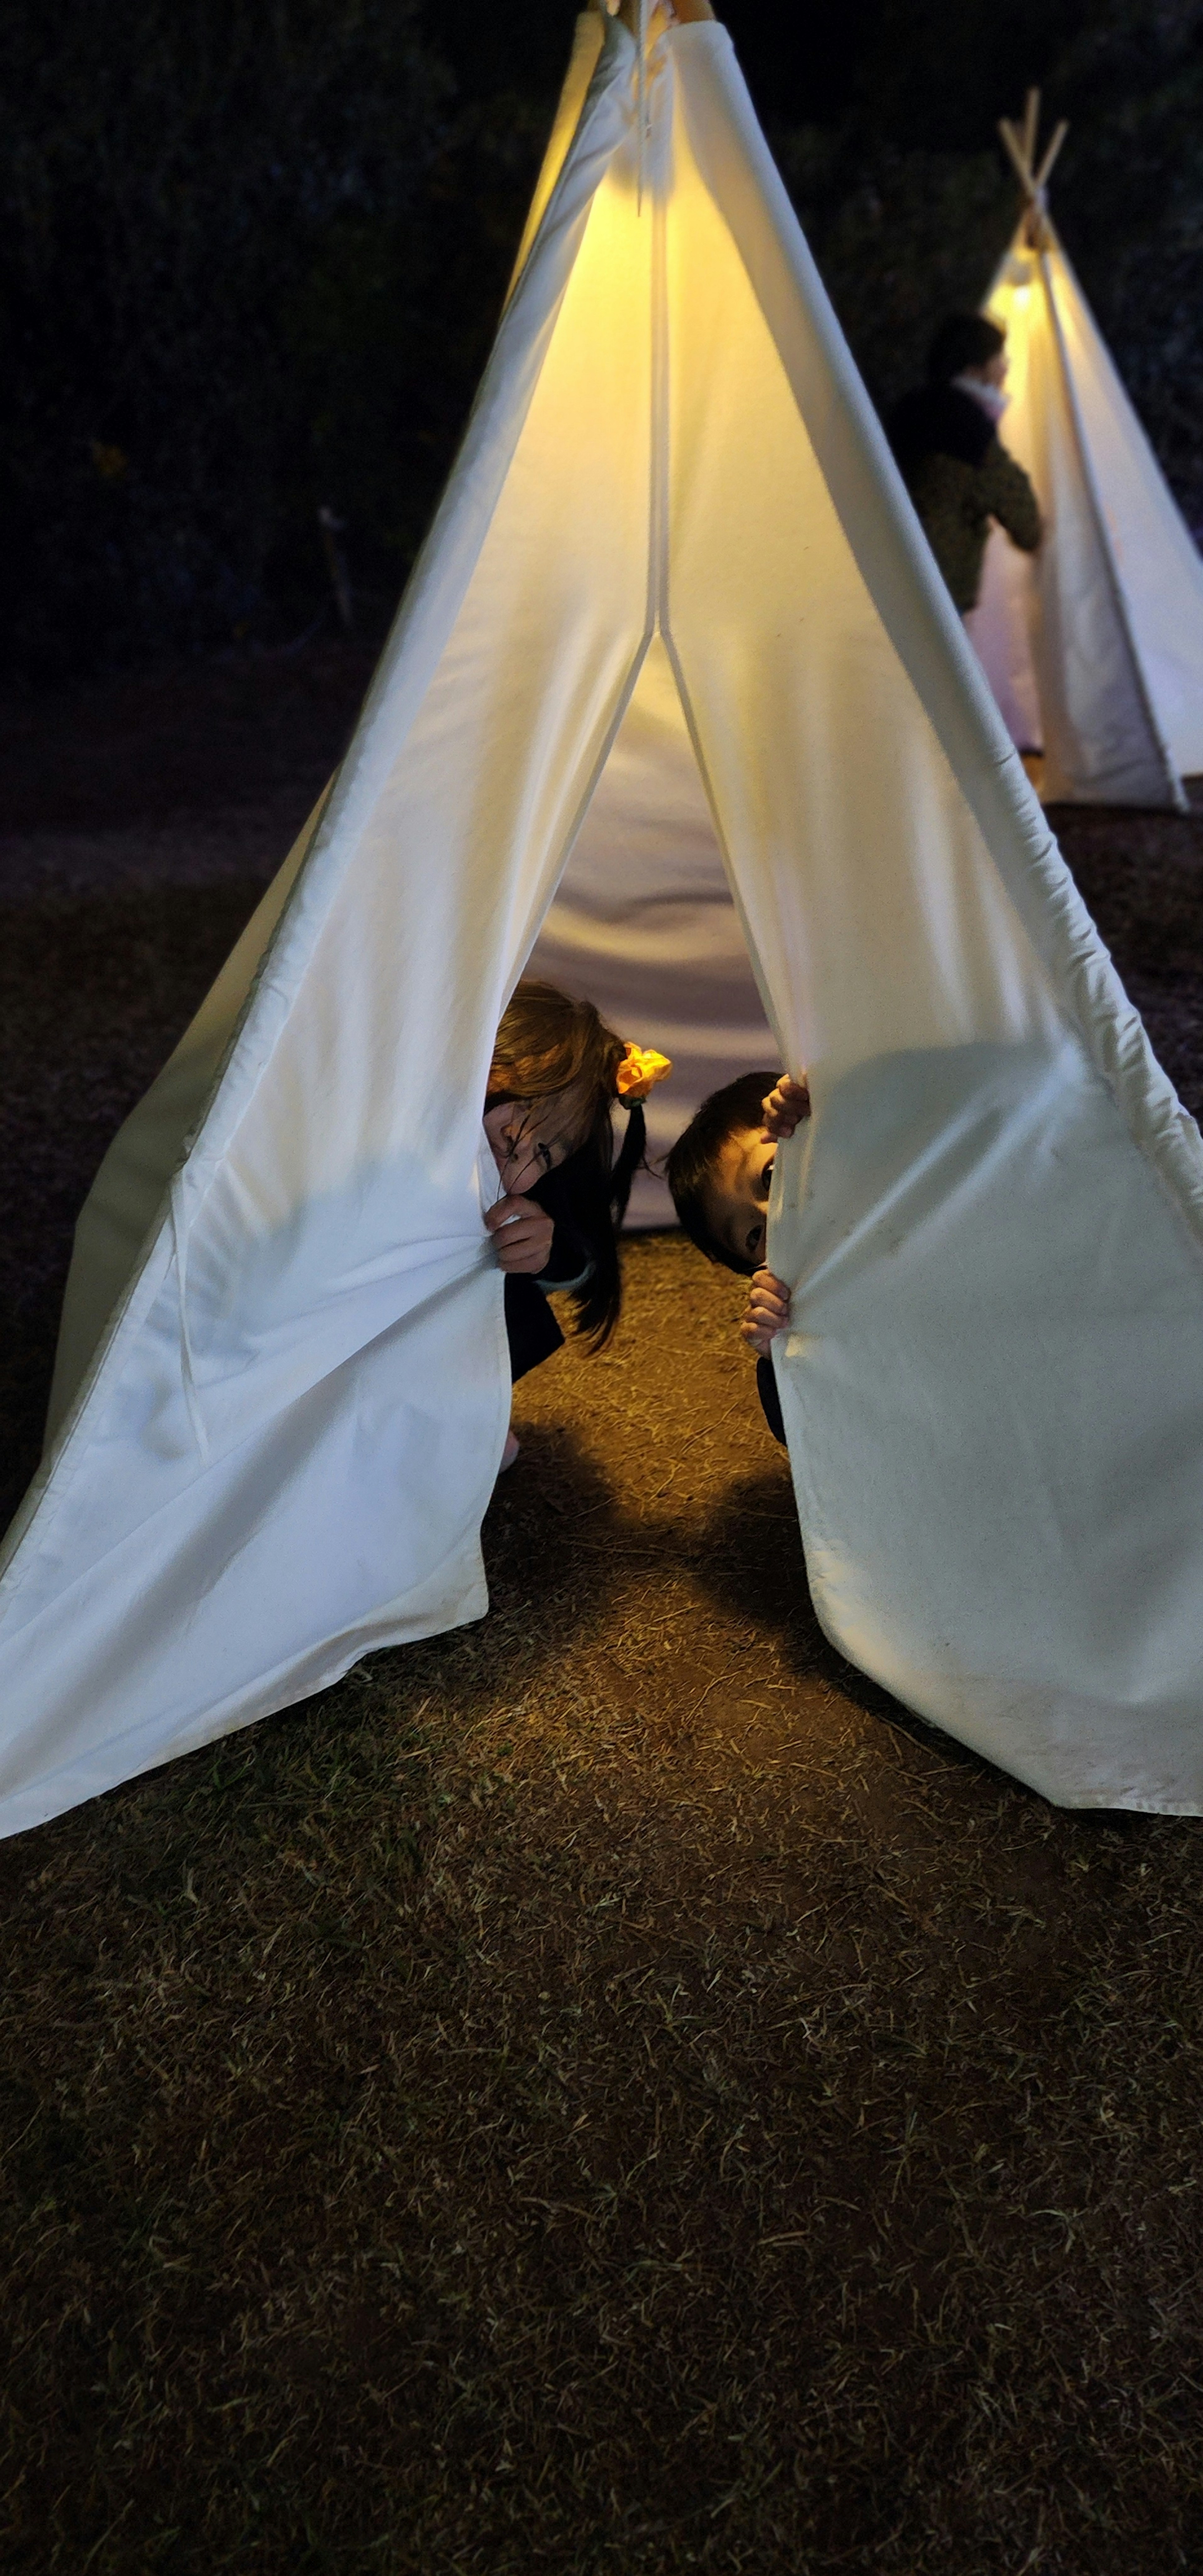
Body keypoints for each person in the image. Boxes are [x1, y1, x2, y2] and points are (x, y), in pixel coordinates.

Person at [483, 982, 671, 1468]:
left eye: (544, 1151)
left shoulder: (531, 1196)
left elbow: (583, 1256)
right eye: (517, 1100)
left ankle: (468, 1411)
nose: (517, 1138)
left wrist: (542, 1252)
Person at [664, 1068, 809, 1446]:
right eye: (752, 1236)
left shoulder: (879, 1162)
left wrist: (826, 1104)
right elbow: (810, 1436)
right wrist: (781, 1353)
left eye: (770, 1175)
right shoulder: (808, 1306)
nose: (770, 1214)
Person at [887, 313, 1040, 613]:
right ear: (975, 369)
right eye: (998, 358)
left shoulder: (908, 409)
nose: (1005, 368)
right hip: (935, 596)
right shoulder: (968, 431)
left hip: (888, 571)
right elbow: (1022, 516)